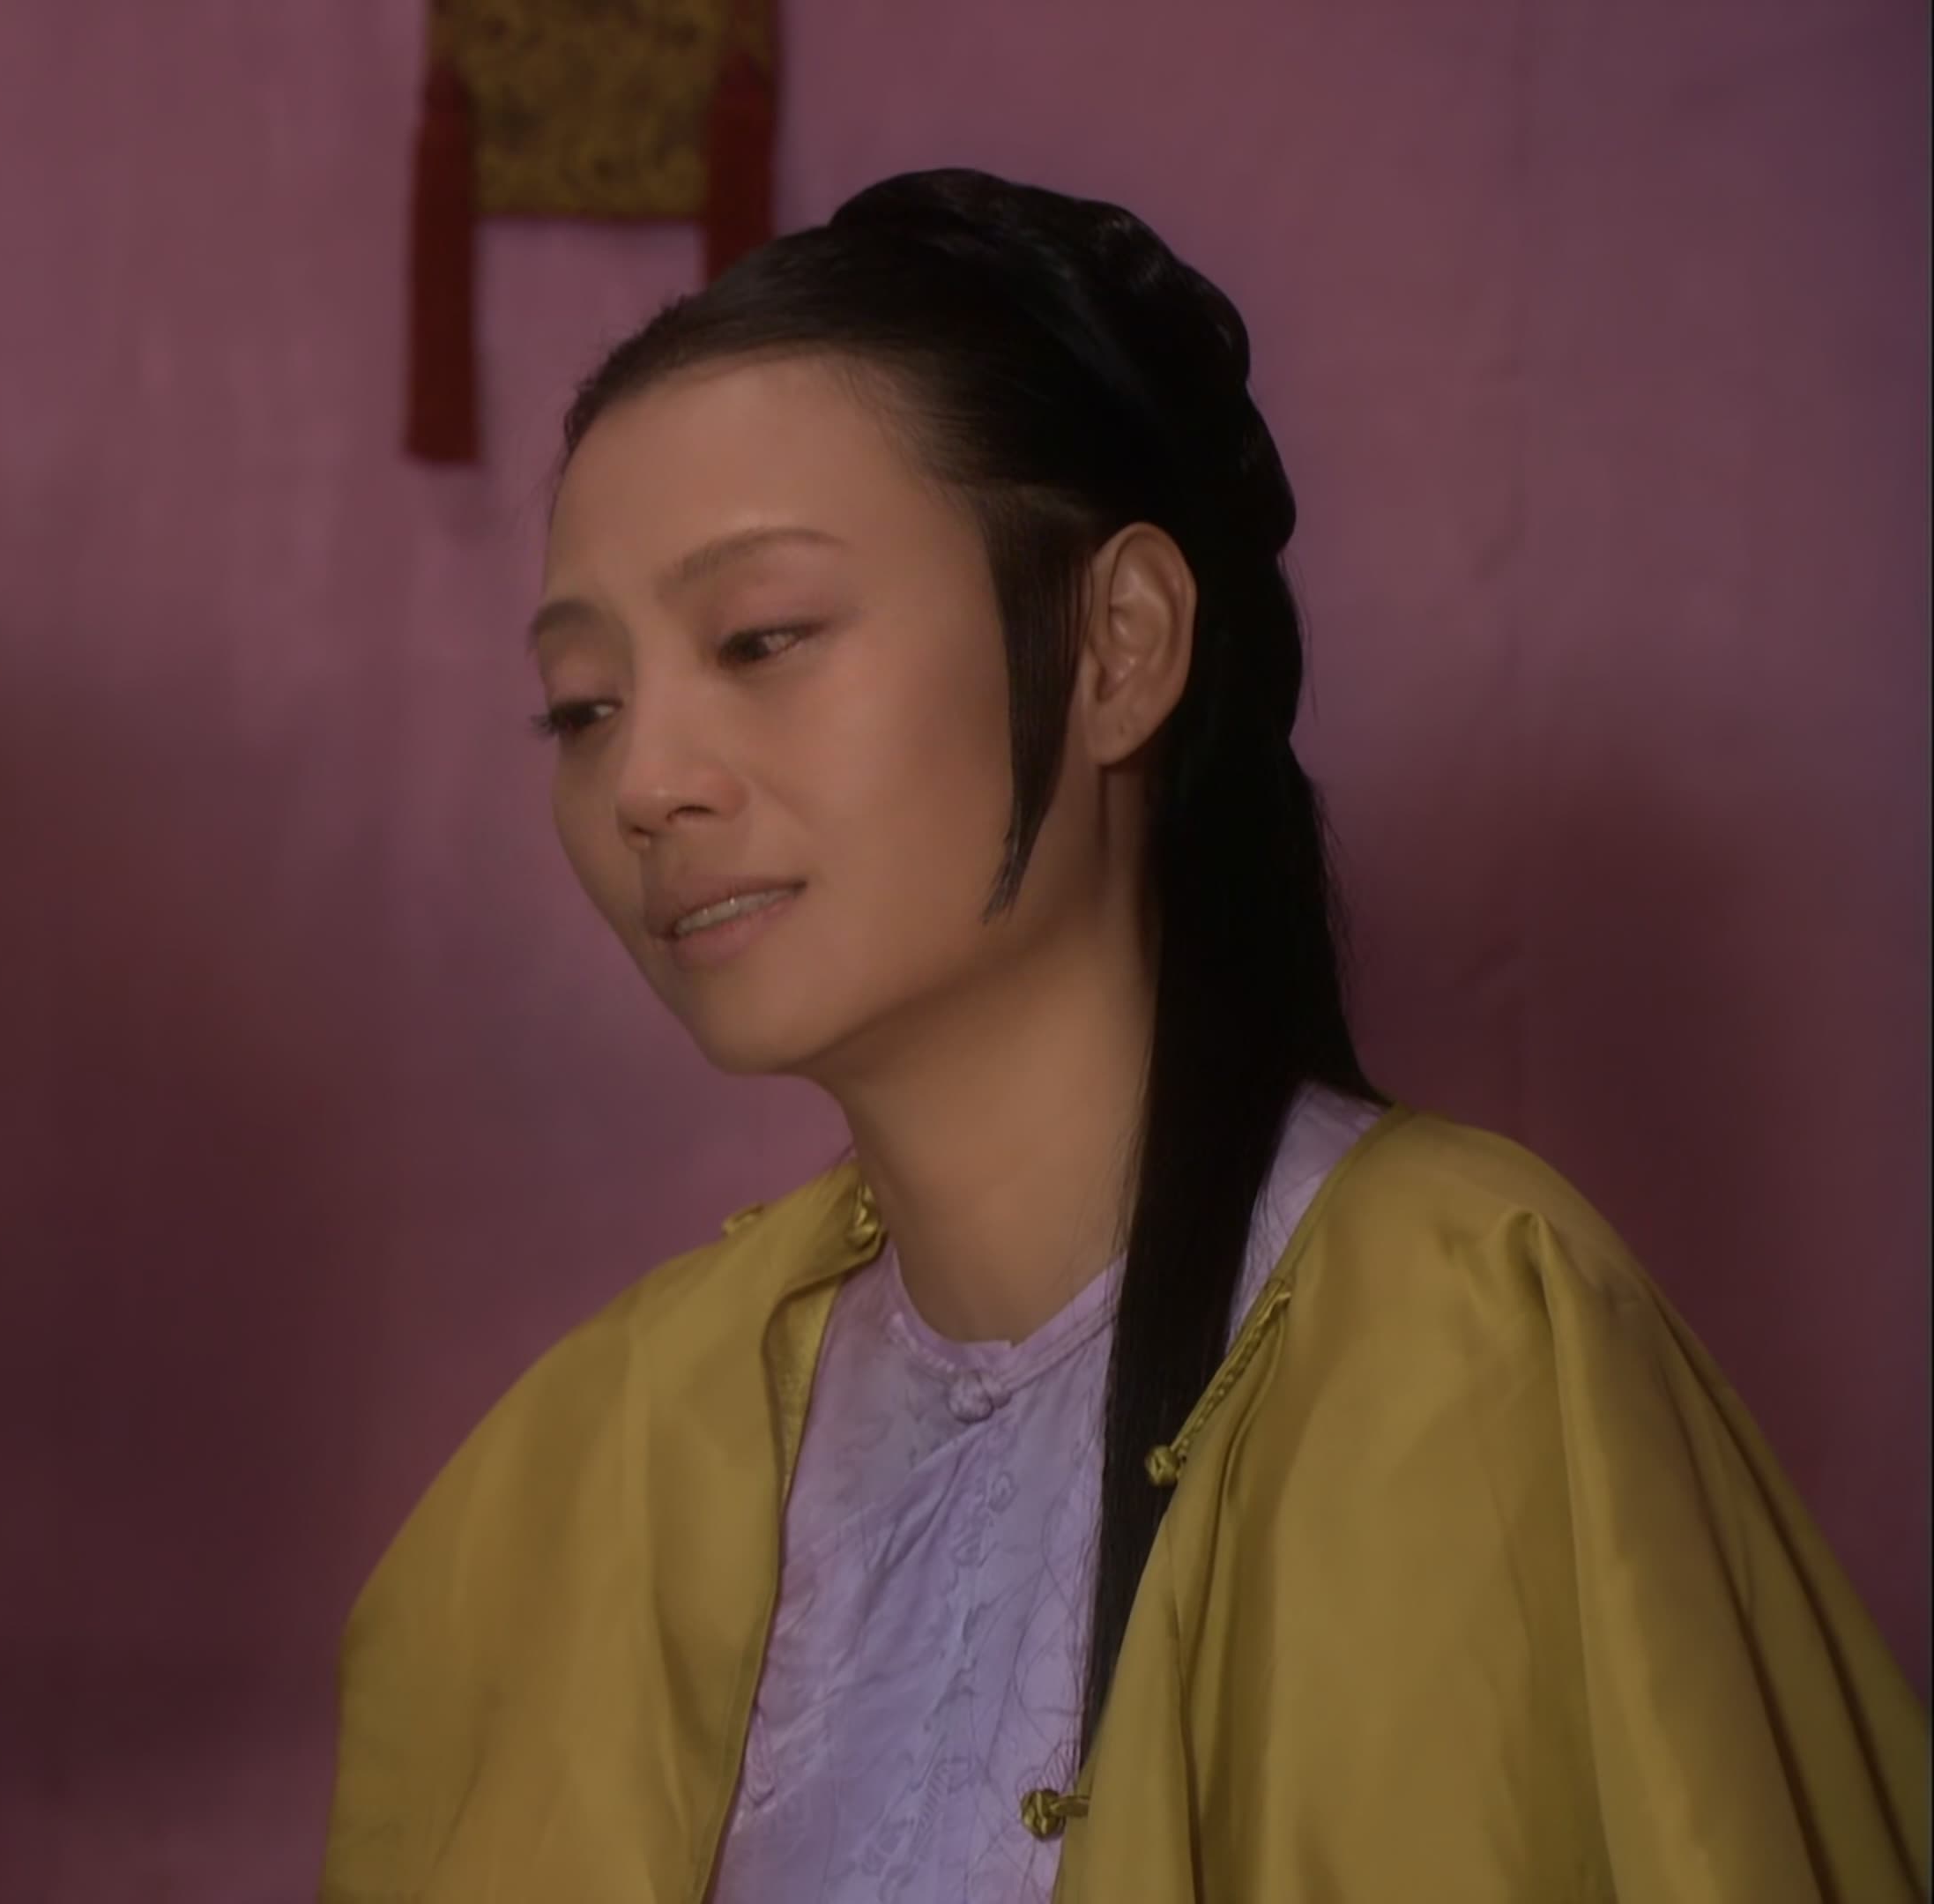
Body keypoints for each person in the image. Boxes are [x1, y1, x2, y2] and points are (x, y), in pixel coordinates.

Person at [321, 168, 1928, 1902]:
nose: (644, 781)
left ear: (1119, 646)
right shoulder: (584, 1464)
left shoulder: (1468, 1343)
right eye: (582, 707)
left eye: (762, 638)